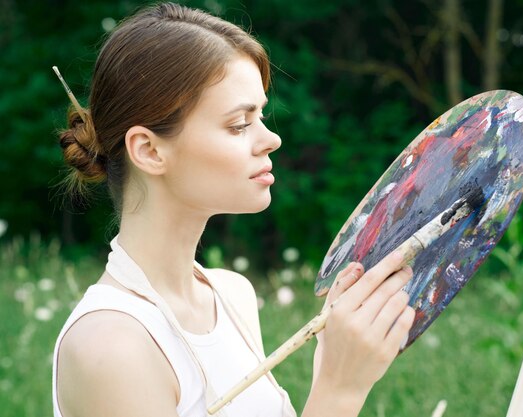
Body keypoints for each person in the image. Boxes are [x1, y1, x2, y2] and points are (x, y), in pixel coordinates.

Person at [52, 3, 415, 417]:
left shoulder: (231, 296)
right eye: (240, 124)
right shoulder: (111, 346)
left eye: (260, 115)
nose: (271, 139)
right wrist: (339, 388)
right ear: (149, 150)